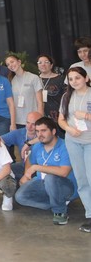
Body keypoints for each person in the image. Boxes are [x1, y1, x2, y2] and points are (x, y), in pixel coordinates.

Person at [14, 116, 78, 225]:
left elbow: (64, 172)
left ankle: (60, 212)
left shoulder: (65, 146)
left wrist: (36, 167)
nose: (40, 135)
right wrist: (26, 174)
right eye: (37, 131)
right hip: (41, 182)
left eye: (43, 131)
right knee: (20, 197)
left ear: (53, 131)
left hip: (66, 186)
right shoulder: (37, 146)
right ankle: (58, 202)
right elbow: (30, 160)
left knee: (50, 177)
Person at [58, 66, 91, 232]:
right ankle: (89, 214)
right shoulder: (66, 96)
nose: (74, 81)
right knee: (82, 179)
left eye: (77, 77)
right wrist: (69, 129)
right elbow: (61, 119)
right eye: (71, 79)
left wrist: (85, 116)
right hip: (73, 142)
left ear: (86, 78)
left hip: (89, 142)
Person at [6, 54, 44, 127]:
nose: (10, 65)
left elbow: (40, 102)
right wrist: (12, 123)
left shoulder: (33, 77)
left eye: (12, 62)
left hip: (33, 121)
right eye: (8, 64)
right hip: (18, 120)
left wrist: (40, 121)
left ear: (19, 62)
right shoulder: (11, 81)